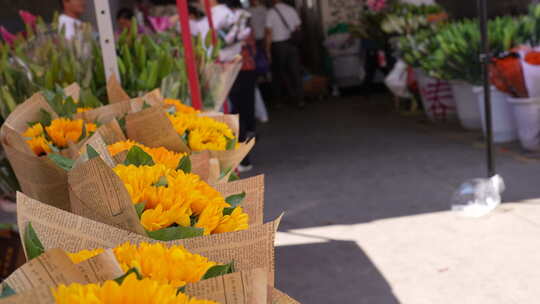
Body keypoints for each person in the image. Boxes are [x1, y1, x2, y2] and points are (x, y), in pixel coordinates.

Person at [265, 0, 304, 108]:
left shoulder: (271, 12)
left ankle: (287, 97)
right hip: (292, 44)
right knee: (295, 71)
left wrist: (267, 50)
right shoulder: (291, 9)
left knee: (281, 73)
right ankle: (300, 99)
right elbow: (298, 27)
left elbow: (269, 32)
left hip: (278, 45)